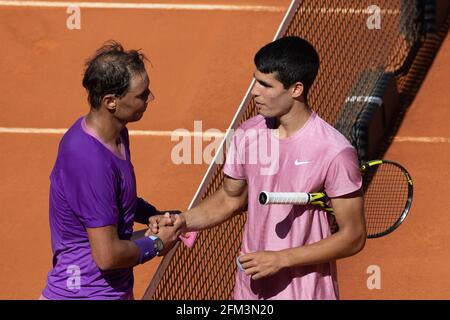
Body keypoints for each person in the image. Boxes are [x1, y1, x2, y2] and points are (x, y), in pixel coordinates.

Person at [150, 36, 366, 300]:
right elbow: (230, 198)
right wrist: (183, 220)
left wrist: (280, 259)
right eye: (255, 81)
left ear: (296, 89)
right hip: (250, 291)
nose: (255, 92)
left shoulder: (334, 151)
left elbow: (353, 236)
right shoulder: (248, 134)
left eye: (266, 85)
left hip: (303, 292)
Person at [41, 41, 182, 300]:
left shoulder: (117, 133)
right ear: (111, 102)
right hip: (82, 294)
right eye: (141, 94)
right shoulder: (87, 159)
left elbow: (117, 197)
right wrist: (157, 243)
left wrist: (153, 215)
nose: (150, 98)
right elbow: (107, 256)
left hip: (113, 291)